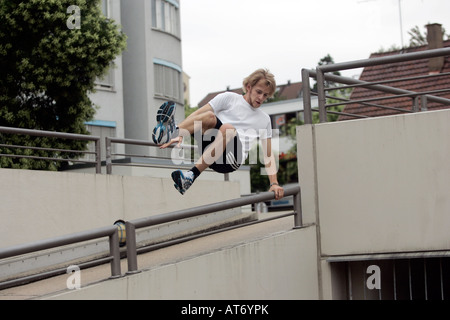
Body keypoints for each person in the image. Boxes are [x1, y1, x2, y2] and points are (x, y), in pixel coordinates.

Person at [152, 69, 284, 200]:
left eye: (265, 95)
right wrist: (181, 132)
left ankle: (191, 175)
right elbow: (197, 115)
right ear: (249, 87)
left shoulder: (264, 119)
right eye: (258, 92)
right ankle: (172, 131)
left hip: (230, 160)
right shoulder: (228, 98)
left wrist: (274, 183)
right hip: (211, 147)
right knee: (209, 116)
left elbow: (268, 155)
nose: (261, 98)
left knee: (228, 129)